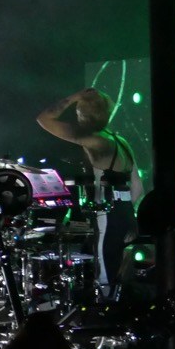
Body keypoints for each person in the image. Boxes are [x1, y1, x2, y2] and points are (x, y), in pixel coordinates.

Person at [35, 87, 144, 299]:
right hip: (125, 212)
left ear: (83, 115)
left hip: (107, 214)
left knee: (105, 277)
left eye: (78, 112)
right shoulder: (121, 141)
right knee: (118, 273)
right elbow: (138, 188)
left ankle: (106, 311)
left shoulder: (96, 141)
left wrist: (76, 96)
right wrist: (125, 215)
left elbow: (44, 119)